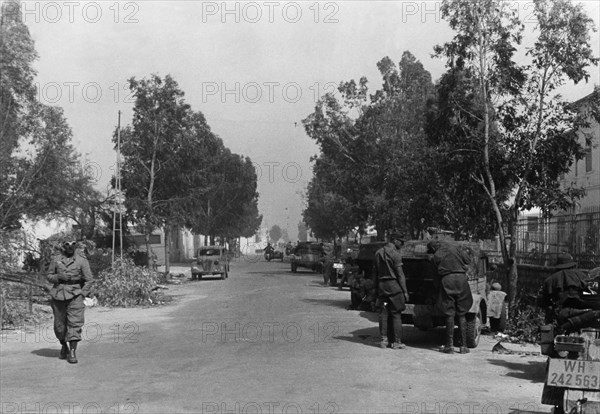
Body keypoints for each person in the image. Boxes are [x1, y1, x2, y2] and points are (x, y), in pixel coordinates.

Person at [46, 238, 94, 364]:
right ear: (63, 246)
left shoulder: (82, 260)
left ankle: (72, 351)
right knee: (59, 326)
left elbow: (89, 280)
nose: (70, 247)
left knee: (75, 324)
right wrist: (58, 277)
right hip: (58, 295)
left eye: (73, 244)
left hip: (75, 295)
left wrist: (82, 294)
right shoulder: (56, 259)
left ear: (76, 246)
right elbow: (49, 276)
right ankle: (64, 346)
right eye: (67, 244)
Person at [427, 240, 473, 354]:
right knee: (462, 313)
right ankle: (463, 346)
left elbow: (435, 277)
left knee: (449, 313)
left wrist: (439, 289)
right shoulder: (456, 248)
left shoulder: (435, 256)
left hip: (447, 280)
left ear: (433, 248)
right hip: (461, 279)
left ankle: (449, 346)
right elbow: (468, 260)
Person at [374, 233, 409, 350]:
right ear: (394, 240)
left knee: (383, 313)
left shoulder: (378, 253)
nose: (403, 244)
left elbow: (374, 274)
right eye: (401, 241)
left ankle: (383, 340)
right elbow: (400, 275)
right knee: (396, 314)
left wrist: (375, 290)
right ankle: (397, 342)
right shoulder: (395, 254)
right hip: (394, 288)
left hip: (382, 288)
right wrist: (405, 292)